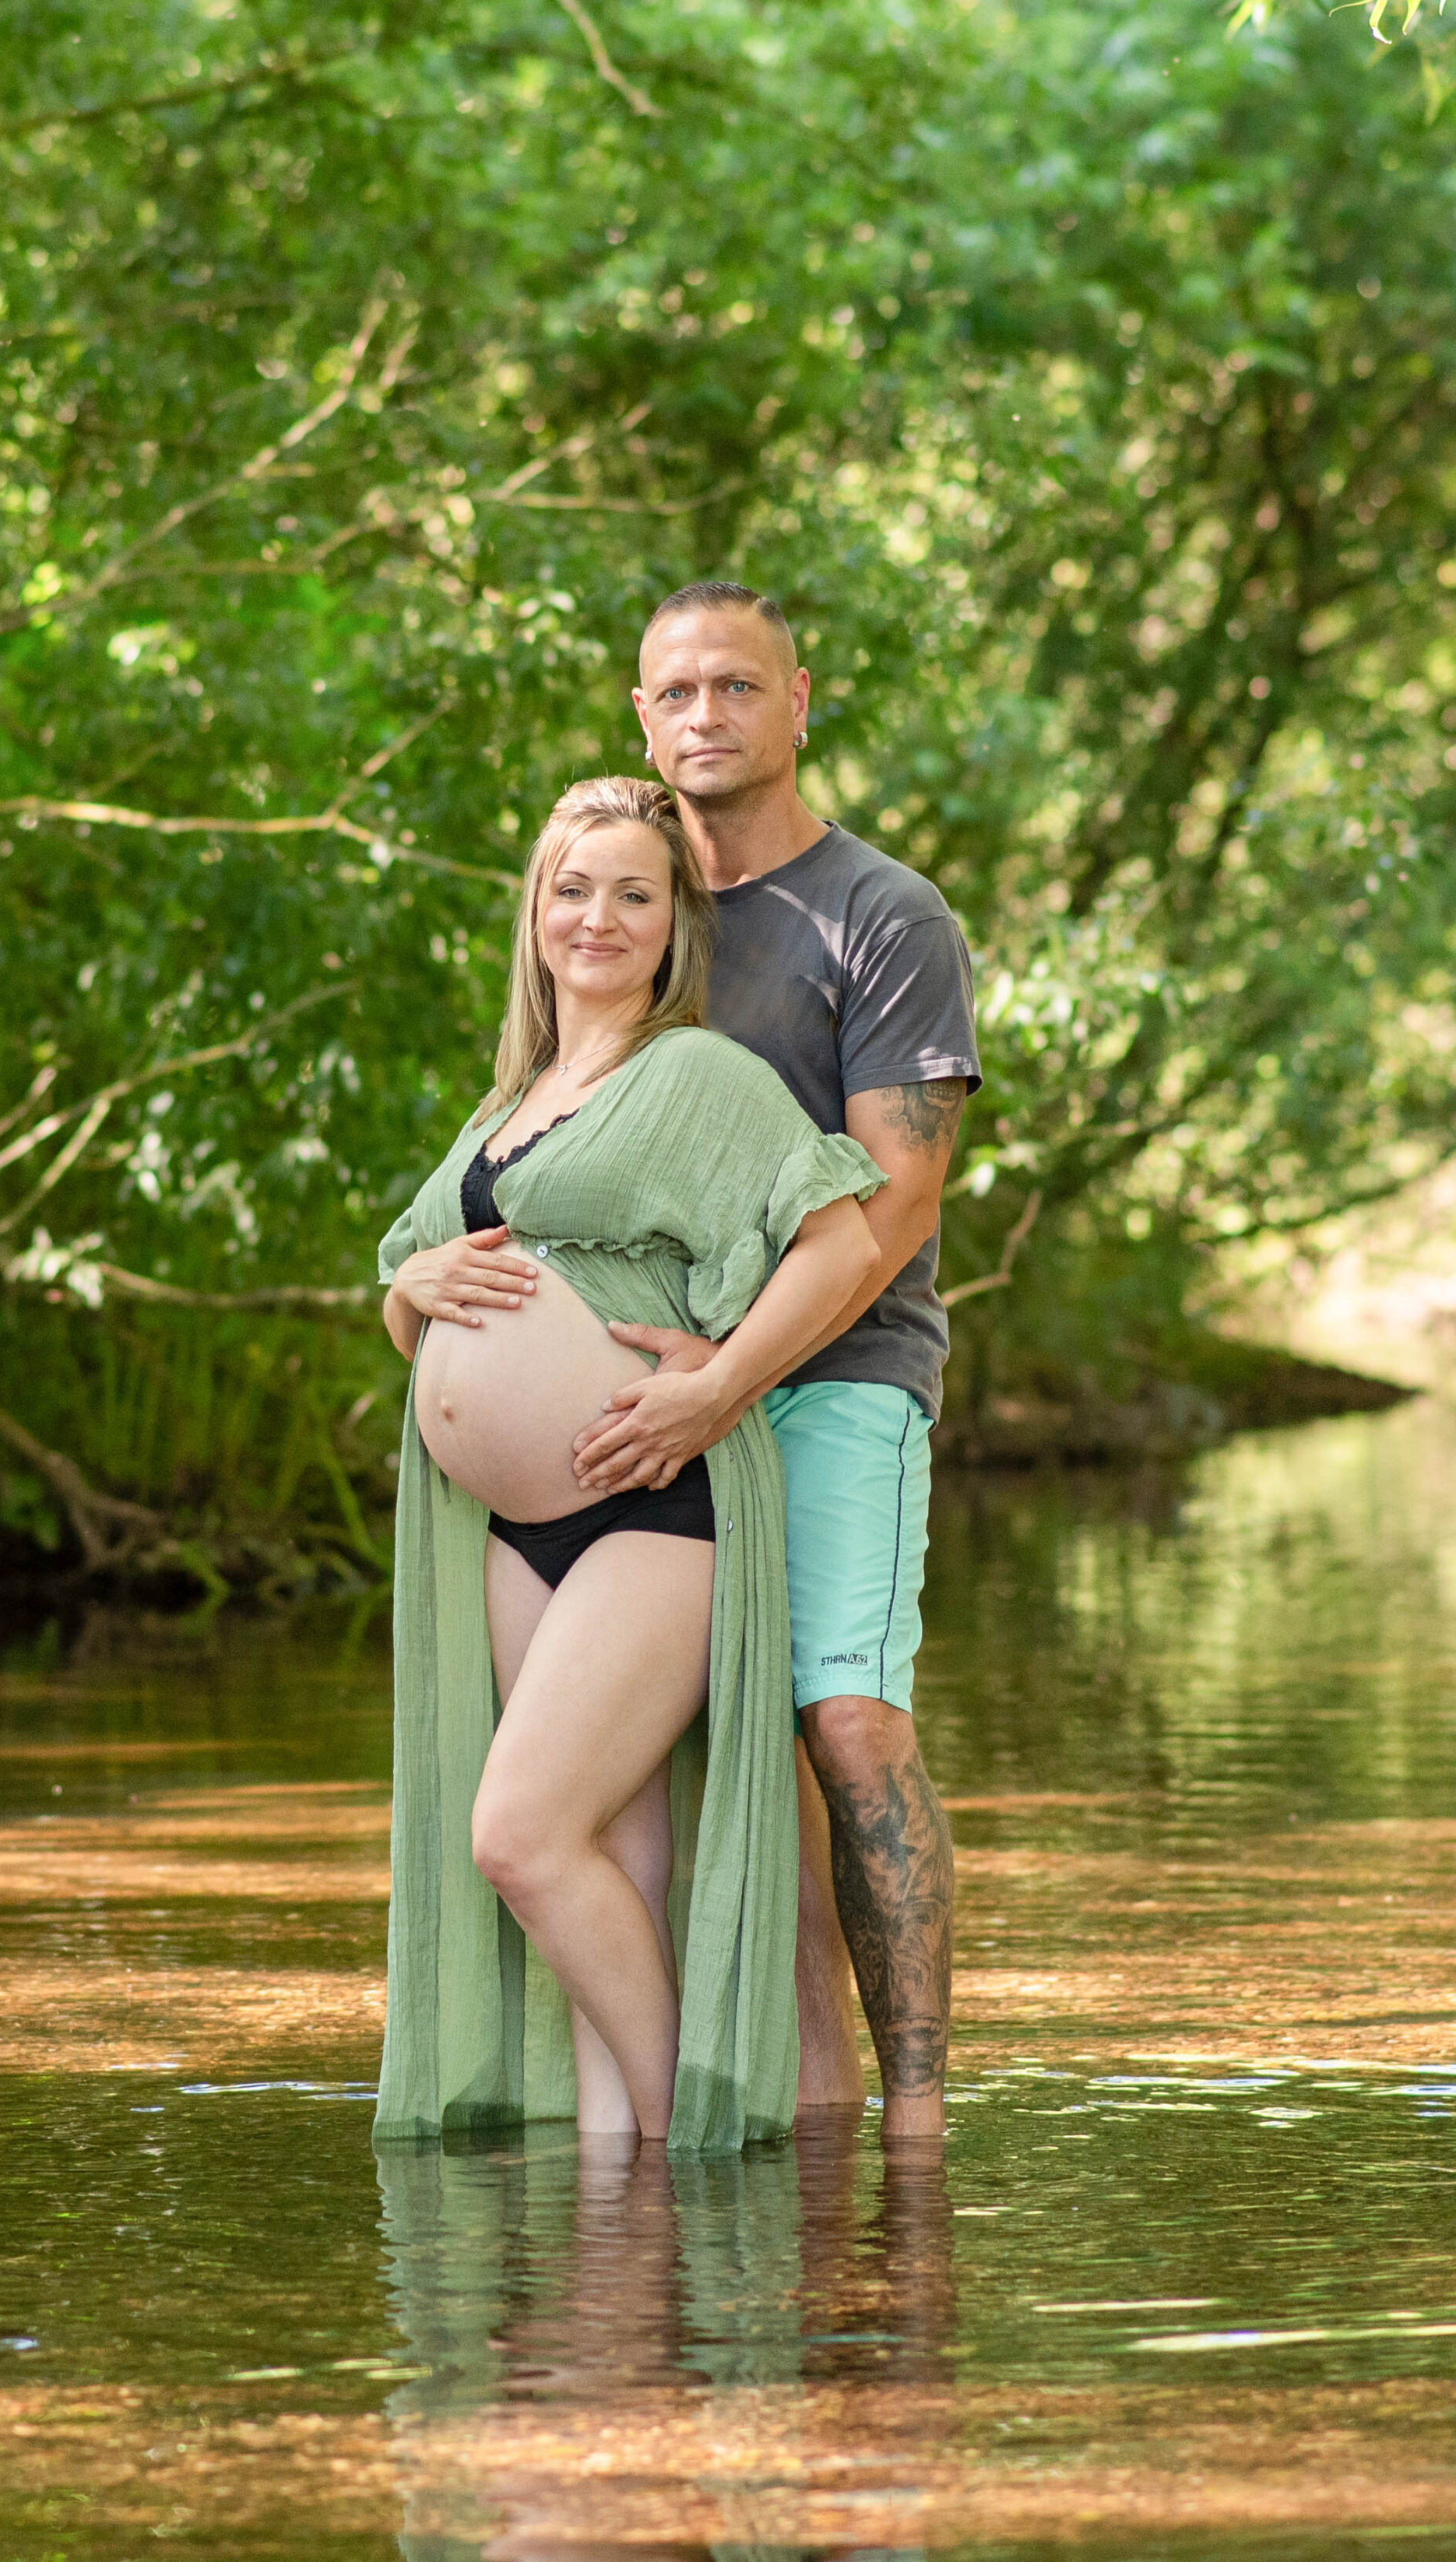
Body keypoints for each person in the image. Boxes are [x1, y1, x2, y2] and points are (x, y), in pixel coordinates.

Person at [372, 777, 885, 2151]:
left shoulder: (700, 1078)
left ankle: (685, 2150)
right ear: (535, 914)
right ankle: (627, 2235)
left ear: (673, 929)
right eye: (572, 888)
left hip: (657, 1507)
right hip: (514, 1527)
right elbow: (414, 1300)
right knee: (607, 1870)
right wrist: (411, 1281)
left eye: (634, 893)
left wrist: (716, 1385)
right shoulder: (510, 1101)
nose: (597, 916)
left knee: (521, 1835)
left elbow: (841, 1238)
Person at [568, 581, 982, 2146]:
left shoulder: (883, 915)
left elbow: (895, 1200)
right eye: (674, 691)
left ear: (799, 702)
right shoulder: (622, 896)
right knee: (729, 1765)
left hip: (838, 1373)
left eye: (736, 687)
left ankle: (920, 2130)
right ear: (641, 716)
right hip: (647, 1388)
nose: (704, 715)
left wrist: (724, 1379)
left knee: (849, 1726)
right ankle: (799, 2118)